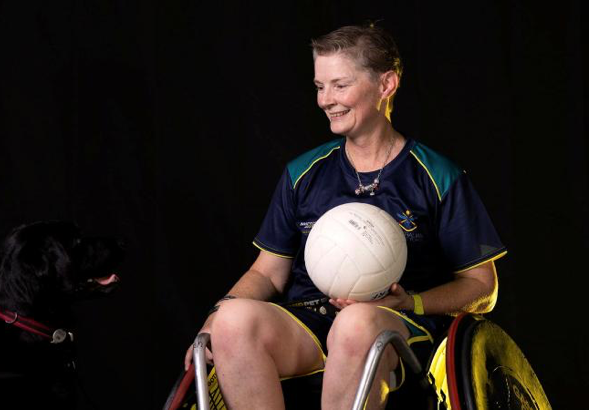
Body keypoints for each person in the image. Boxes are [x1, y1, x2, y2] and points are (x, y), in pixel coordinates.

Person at [183, 24, 506, 410]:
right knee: (232, 322)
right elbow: (267, 272)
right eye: (320, 87)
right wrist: (212, 321)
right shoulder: (303, 173)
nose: (325, 100)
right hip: (307, 324)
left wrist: (410, 304)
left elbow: (482, 287)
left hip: (395, 328)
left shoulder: (437, 176)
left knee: (356, 324)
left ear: (386, 84)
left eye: (339, 85)